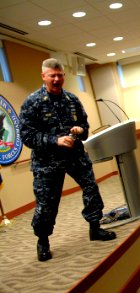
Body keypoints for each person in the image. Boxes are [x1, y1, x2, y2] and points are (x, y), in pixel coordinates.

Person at [19, 58, 116, 262]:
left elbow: (85, 126)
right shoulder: (32, 102)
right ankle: (43, 241)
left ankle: (95, 228)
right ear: (43, 76)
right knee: (47, 204)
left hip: (75, 156)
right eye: (52, 75)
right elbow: (27, 136)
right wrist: (55, 140)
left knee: (91, 188)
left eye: (60, 75)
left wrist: (80, 130)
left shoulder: (72, 99)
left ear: (64, 76)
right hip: (47, 162)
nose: (56, 79)